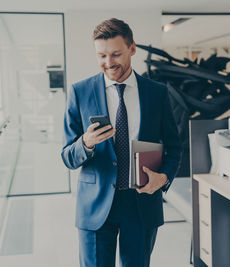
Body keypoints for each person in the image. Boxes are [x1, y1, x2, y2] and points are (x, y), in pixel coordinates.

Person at [61, 18, 182, 267]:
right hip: (95, 205)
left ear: (132, 48)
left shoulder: (157, 93)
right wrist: (85, 142)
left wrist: (164, 178)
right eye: (102, 55)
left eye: (116, 54)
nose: (109, 63)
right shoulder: (80, 92)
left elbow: (175, 147)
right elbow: (66, 156)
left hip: (141, 204)